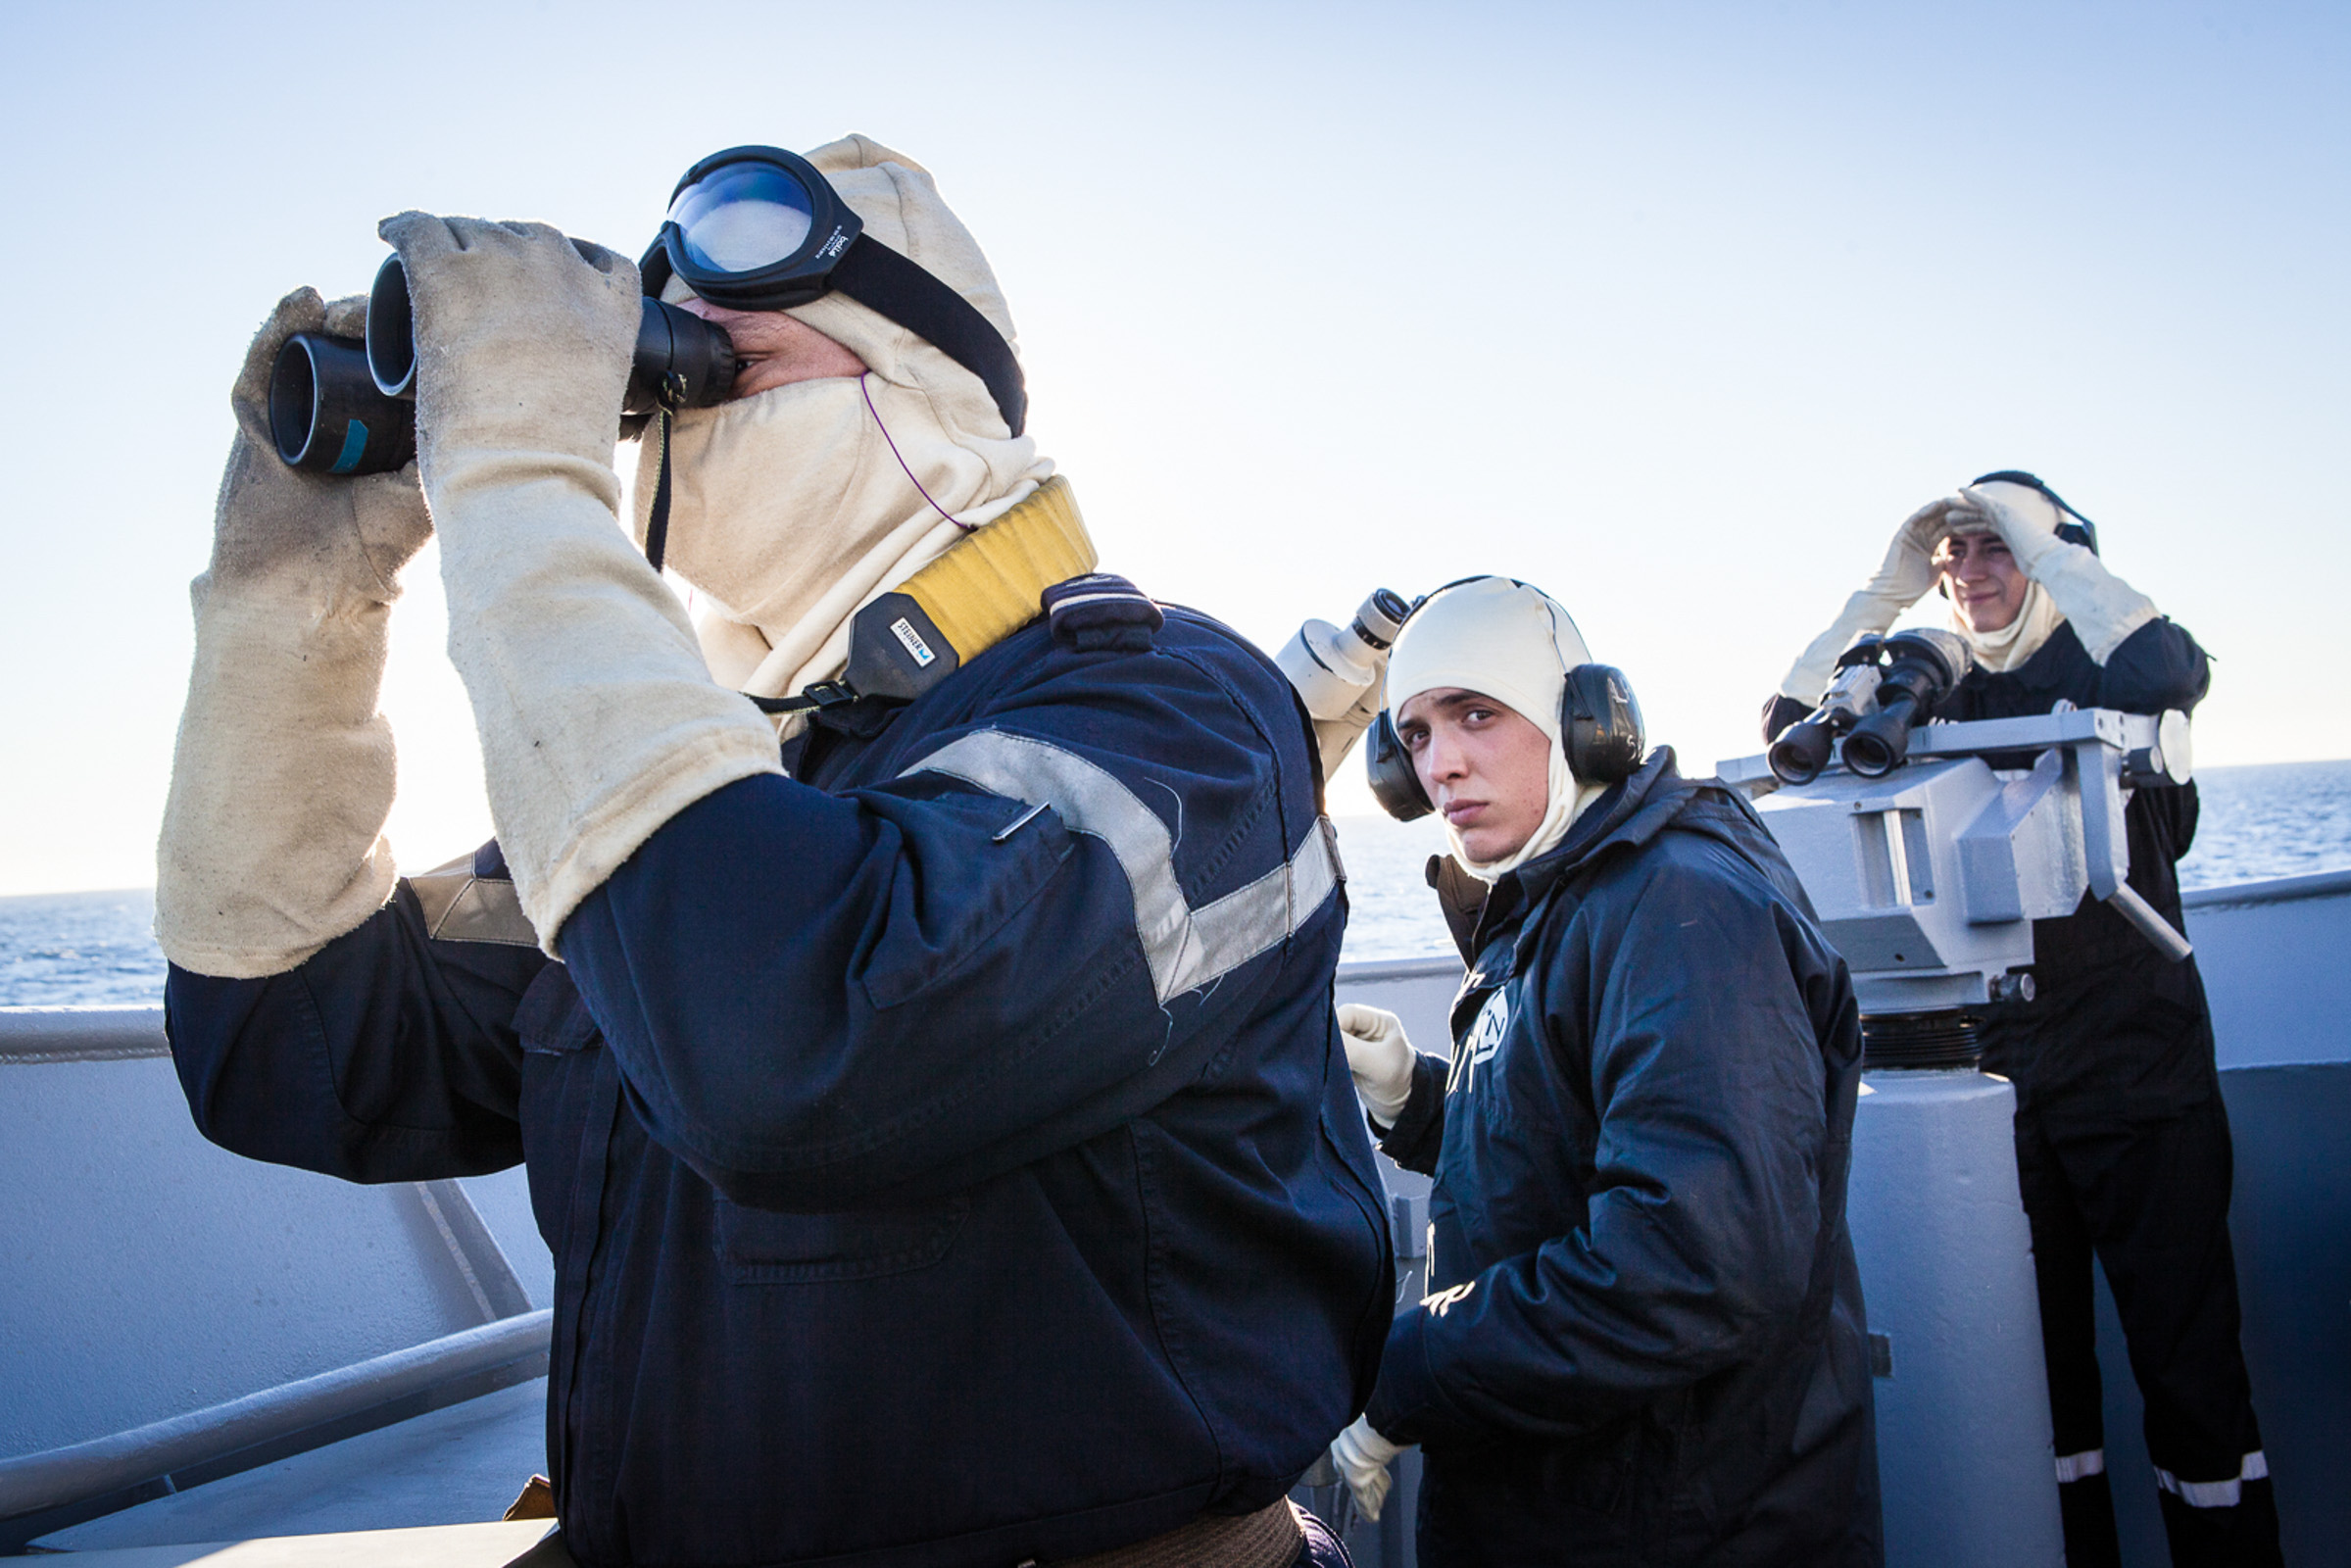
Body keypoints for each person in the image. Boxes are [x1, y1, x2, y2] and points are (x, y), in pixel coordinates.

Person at [154, 136, 1390, 1568]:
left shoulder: (1175, 712)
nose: (670, 321)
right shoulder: (710, 792)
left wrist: (520, 482)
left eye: (736, 288)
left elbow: (803, 1042)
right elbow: (288, 1047)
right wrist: (292, 600)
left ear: (921, 368)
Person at [1763, 472, 2279, 1568]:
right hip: (2000, 1082)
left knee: (2188, 1377)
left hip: (2140, 1077)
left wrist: (2044, 545)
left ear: (2054, 554)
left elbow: (2166, 669)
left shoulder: (2106, 665)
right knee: (2037, 1395)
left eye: (1990, 548)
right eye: (1947, 555)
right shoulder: (1925, 689)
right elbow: (1783, 731)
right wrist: (1884, 588)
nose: (1965, 571)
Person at [1328, 577, 1881, 1566]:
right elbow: (1561, 1146)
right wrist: (1416, 1098)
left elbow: (1685, 1264)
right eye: (1413, 736)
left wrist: (1406, 1371)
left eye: (1474, 714)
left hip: (1677, 1523)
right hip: (1567, 1507)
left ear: (1583, 722)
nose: (1441, 762)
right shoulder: (1565, 896)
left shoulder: (1681, 908)